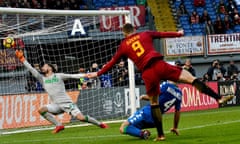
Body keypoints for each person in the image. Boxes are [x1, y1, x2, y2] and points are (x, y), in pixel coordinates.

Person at [87, 23, 233, 141]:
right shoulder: (145, 34)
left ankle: (161, 135)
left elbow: (112, 62)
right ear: (135, 29)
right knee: (191, 78)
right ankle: (218, 98)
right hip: (160, 65)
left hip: (147, 73)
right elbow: (163, 35)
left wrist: (98, 73)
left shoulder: (124, 45)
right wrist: (178, 34)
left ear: (124, 33)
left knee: (154, 103)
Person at [15, 49, 108, 134]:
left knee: (81, 118)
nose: (42, 68)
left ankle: (99, 124)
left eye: (44, 66)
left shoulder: (59, 76)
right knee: (41, 110)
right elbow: (31, 69)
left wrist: (86, 75)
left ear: (50, 68)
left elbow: (73, 76)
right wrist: (23, 59)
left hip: (66, 103)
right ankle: (59, 125)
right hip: (55, 105)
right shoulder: (42, 79)